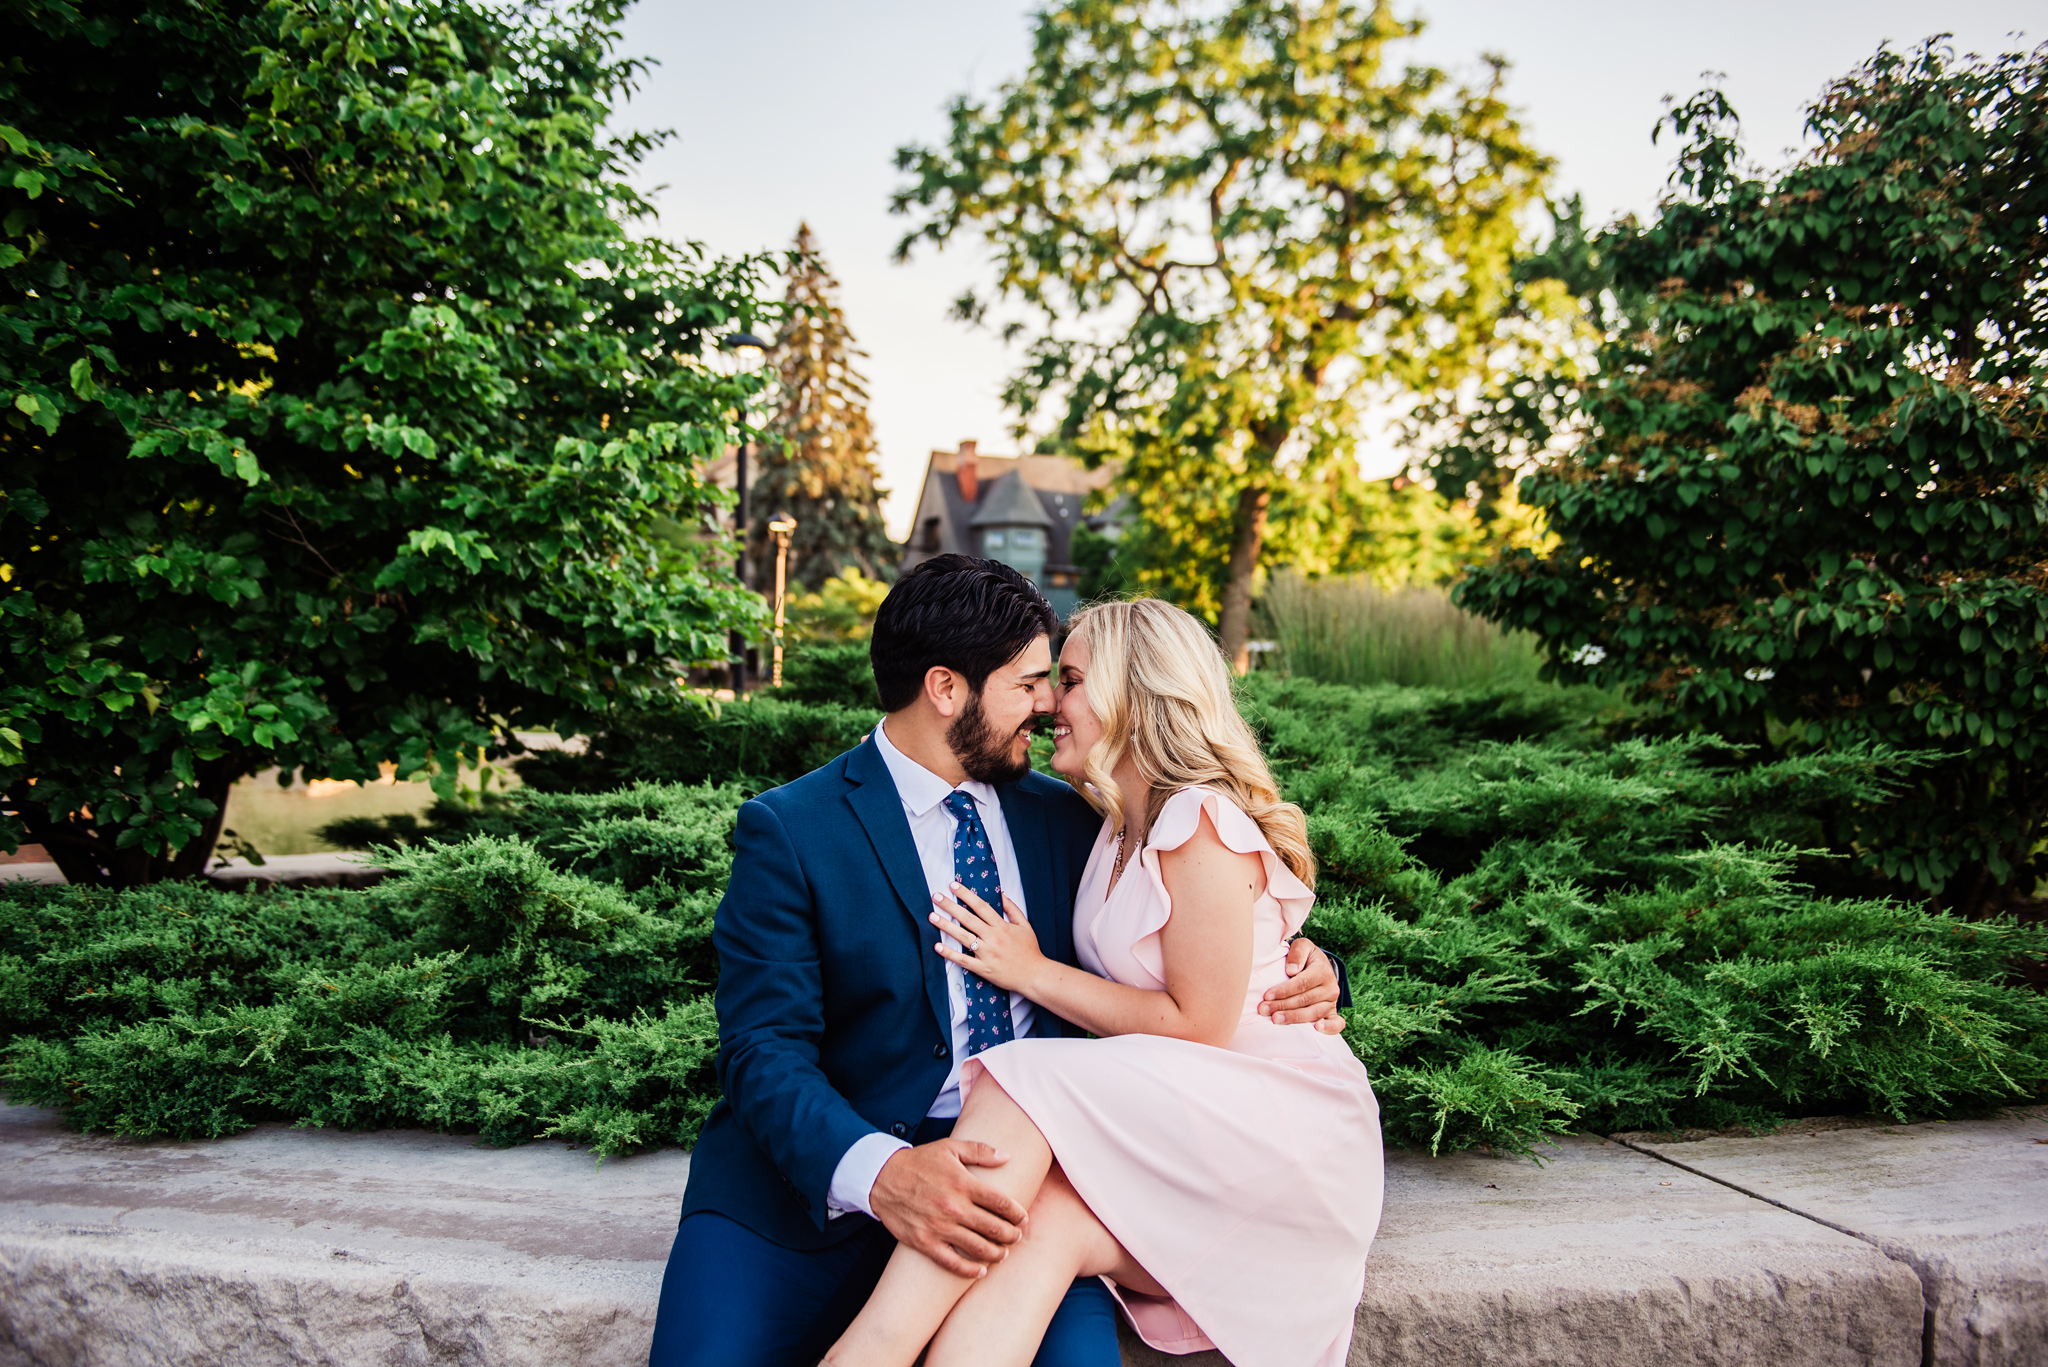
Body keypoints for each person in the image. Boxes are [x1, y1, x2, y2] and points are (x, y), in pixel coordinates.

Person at [645, 556, 1347, 1367]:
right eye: (1029, 683)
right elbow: (761, 1051)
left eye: (1060, 681)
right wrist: (883, 1174)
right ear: (946, 688)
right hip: (814, 1193)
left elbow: (1211, 929)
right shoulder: (791, 829)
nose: (1048, 702)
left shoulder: (1079, 815)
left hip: (1034, 1177)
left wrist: (1311, 970)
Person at [823, 596, 1384, 1367]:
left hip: (1273, 1135)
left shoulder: (1197, 818)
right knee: (1034, 1225)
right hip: (1193, 1121)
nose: (1051, 700)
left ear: (1135, 693)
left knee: (1017, 1078)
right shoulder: (1114, 820)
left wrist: (1032, 972)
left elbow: (1203, 1023)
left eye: (1074, 679)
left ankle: (864, 1355)